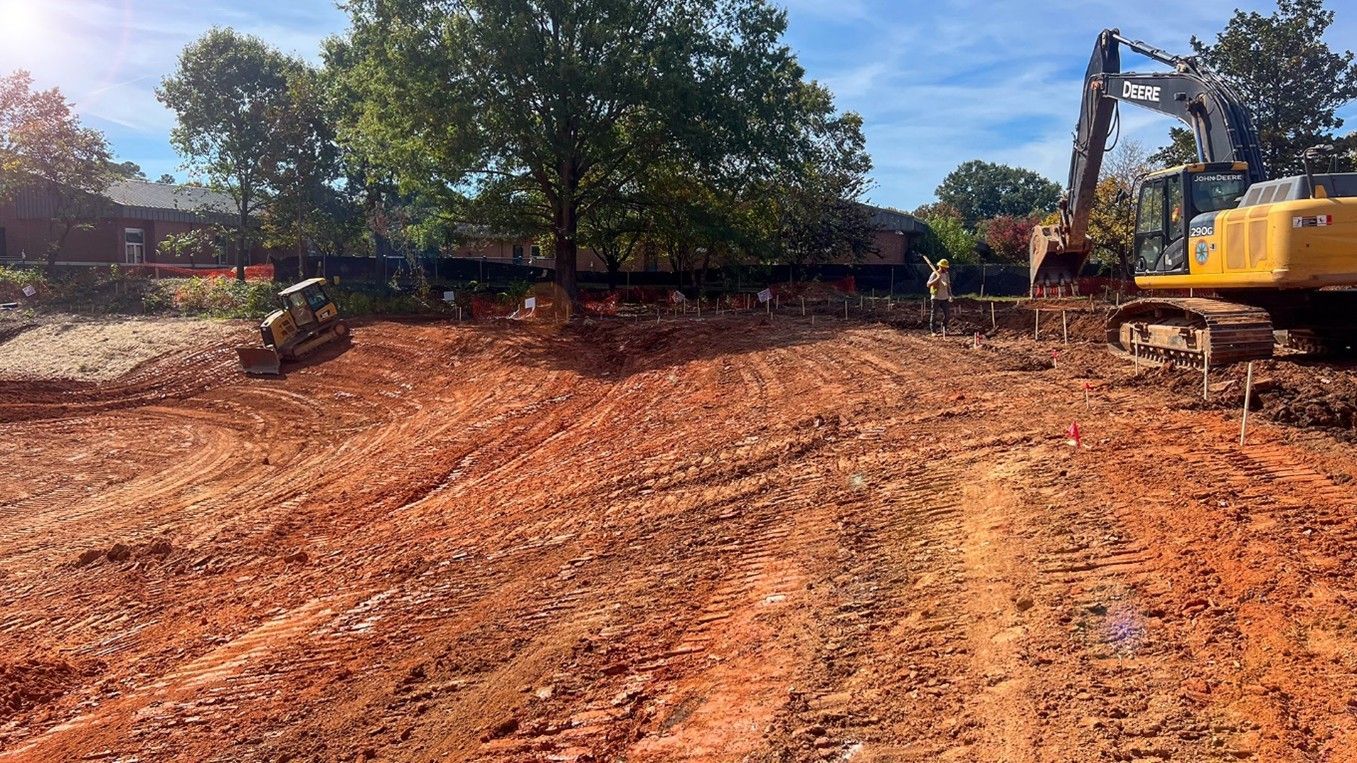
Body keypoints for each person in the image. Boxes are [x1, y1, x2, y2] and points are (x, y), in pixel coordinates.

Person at [927, 259, 953, 335]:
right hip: (936, 297)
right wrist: (937, 279)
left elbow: (948, 286)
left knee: (947, 315)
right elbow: (928, 284)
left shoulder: (947, 274)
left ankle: (944, 329)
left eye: (946, 267)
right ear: (940, 266)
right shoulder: (934, 274)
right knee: (934, 314)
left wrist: (950, 295)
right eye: (944, 267)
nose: (945, 269)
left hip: (945, 297)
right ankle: (933, 331)